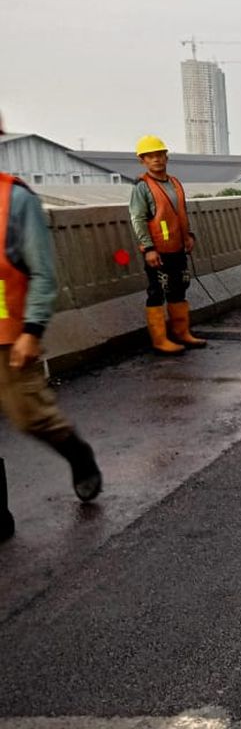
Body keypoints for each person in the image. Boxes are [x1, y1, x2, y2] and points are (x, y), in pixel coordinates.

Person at [0, 117, 103, 541]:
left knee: (30, 417)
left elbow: (43, 272)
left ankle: (78, 454)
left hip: (9, 332)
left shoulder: (16, 200)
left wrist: (32, 330)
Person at [128, 134, 207, 354]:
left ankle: (182, 333)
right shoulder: (142, 187)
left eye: (160, 155)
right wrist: (148, 248)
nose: (156, 160)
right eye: (150, 156)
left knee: (179, 287)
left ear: (166, 157)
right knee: (157, 291)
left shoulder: (175, 183)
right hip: (158, 250)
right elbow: (138, 219)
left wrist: (188, 235)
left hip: (178, 246)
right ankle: (160, 339)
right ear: (142, 160)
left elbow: (180, 213)